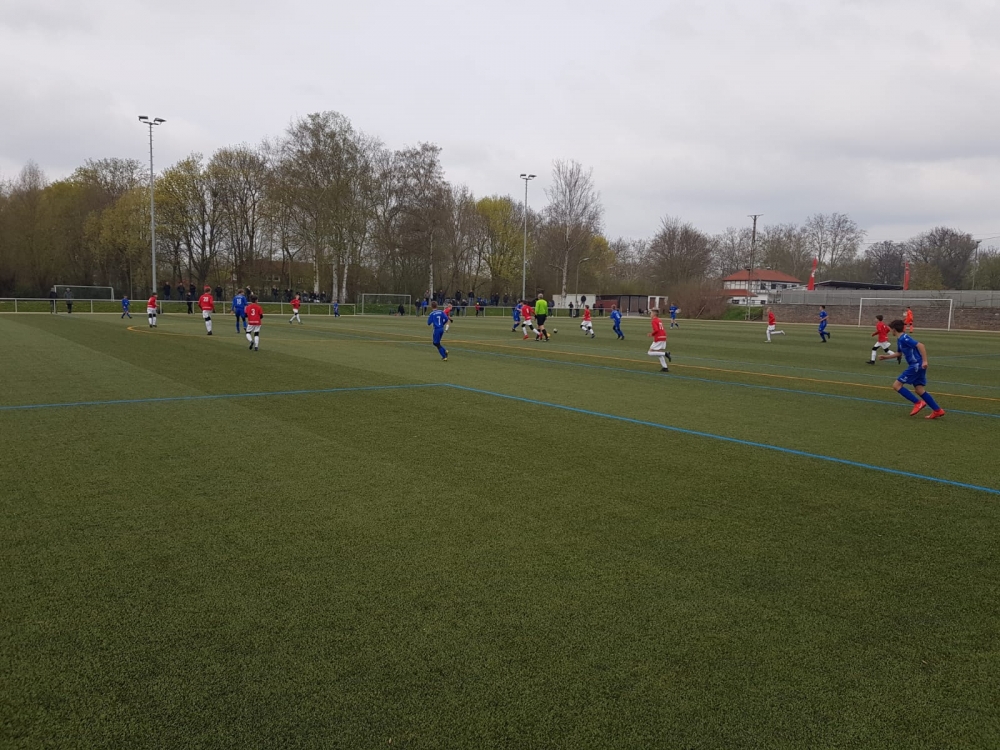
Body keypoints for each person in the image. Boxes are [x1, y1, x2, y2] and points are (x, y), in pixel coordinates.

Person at [879, 320, 945, 419]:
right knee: (919, 389)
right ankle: (938, 410)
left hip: (916, 365)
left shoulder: (904, 338)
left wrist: (925, 361)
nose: (890, 331)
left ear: (894, 329)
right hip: (918, 366)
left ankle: (918, 403)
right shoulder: (900, 339)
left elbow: (921, 345)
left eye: (890, 329)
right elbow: (899, 353)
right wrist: (885, 357)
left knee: (896, 385)